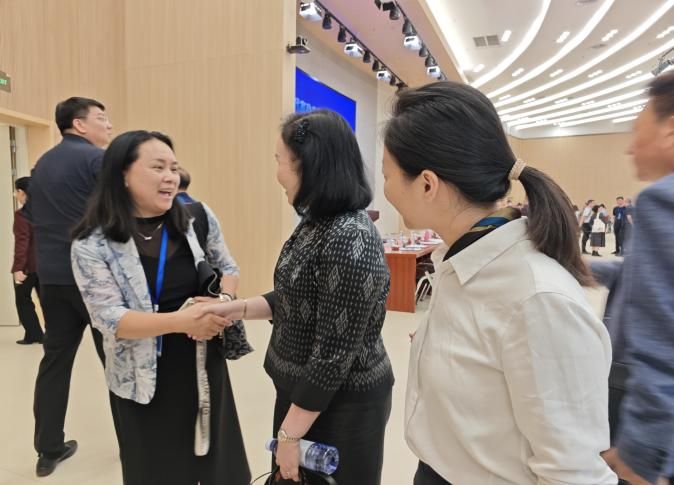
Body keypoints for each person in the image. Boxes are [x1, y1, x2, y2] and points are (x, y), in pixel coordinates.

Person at [380, 81, 616, 484]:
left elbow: (574, 472)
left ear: (427, 184)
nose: (384, 189)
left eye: (387, 175)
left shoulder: (538, 299)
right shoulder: (462, 260)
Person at [200, 110, 394, 484]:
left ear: (309, 165)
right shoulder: (316, 222)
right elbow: (296, 294)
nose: (276, 172)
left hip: (339, 404)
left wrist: (289, 436)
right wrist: (234, 308)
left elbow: (333, 353)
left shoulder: (350, 236)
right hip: (303, 397)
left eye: (280, 160)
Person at [71, 130, 251, 485]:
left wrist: (224, 303)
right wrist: (183, 321)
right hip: (140, 377)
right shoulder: (92, 243)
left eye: (174, 167)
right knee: (156, 469)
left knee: (216, 466)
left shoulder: (197, 217)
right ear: (123, 174)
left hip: (203, 364)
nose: (171, 176)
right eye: (158, 167)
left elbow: (228, 268)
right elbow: (109, 316)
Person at [23, 96, 113, 477]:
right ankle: (135, 442)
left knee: (54, 361)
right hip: (93, 280)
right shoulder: (97, 160)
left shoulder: (42, 164)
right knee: (117, 362)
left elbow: (31, 216)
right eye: (101, 118)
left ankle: (48, 449)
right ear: (79, 124)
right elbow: (120, 213)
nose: (108, 125)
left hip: (52, 278)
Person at [592, 70, 674, 485]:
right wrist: (588, 267)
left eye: (637, 130)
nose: (629, 146)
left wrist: (641, 451)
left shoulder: (662, 200)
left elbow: (661, 342)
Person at [12, 176, 43, 345]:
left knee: (22, 299)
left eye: (16, 191)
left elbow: (22, 243)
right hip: (46, 265)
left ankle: (34, 334)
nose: (15, 195)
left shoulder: (22, 215)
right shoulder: (46, 211)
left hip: (29, 266)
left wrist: (18, 268)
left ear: (22, 193)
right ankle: (52, 336)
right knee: (47, 301)